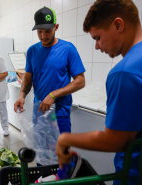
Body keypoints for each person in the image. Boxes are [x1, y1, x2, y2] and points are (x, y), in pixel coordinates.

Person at [55, 0, 142, 184]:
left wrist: (64, 139)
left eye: (97, 38)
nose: (97, 46)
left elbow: (115, 141)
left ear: (118, 25)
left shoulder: (124, 73)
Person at [14, 7, 85, 134]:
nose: (43, 36)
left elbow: (80, 81)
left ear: (56, 27)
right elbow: (28, 78)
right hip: (39, 110)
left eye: (47, 31)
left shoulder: (68, 49)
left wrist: (53, 95)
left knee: (61, 151)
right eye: (39, 32)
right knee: (41, 151)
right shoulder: (32, 51)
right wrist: (21, 95)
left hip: (60, 112)